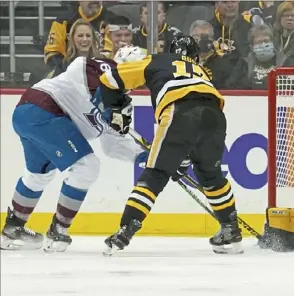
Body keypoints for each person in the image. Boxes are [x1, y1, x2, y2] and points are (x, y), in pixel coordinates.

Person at [98, 37, 243, 255]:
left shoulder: (156, 60)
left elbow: (108, 78)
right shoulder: (200, 70)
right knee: (211, 176)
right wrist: (181, 163)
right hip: (215, 115)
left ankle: (126, 228)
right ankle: (231, 230)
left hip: (180, 112)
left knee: (155, 174)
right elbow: (192, 134)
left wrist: (118, 110)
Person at [0, 56, 149, 252]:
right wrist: (104, 98)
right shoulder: (103, 69)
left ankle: (12, 230)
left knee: (38, 175)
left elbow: (113, 144)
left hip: (30, 117)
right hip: (45, 108)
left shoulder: (120, 101)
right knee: (87, 167)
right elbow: (82, 65)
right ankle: (58, 230)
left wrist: (146, 157)